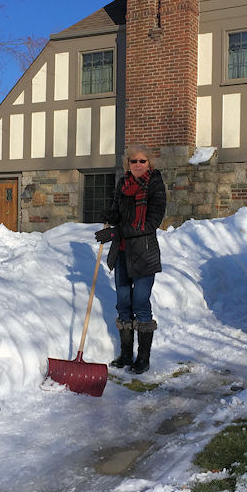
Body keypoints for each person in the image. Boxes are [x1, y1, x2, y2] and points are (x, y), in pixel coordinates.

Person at [95, 144, 167, 374]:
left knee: (141, 304)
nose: (137, 165)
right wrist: (110, 215)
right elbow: (118, 213)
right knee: (123, 303)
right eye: (133, 161)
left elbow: (150, 223)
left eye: (142, 161)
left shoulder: (155, 185)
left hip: (144, 254)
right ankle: (126, 355)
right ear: (128, 164)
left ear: (149, 164)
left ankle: (143, 358)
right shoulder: (122, 184)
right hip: (123, 252)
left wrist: (116, 232)